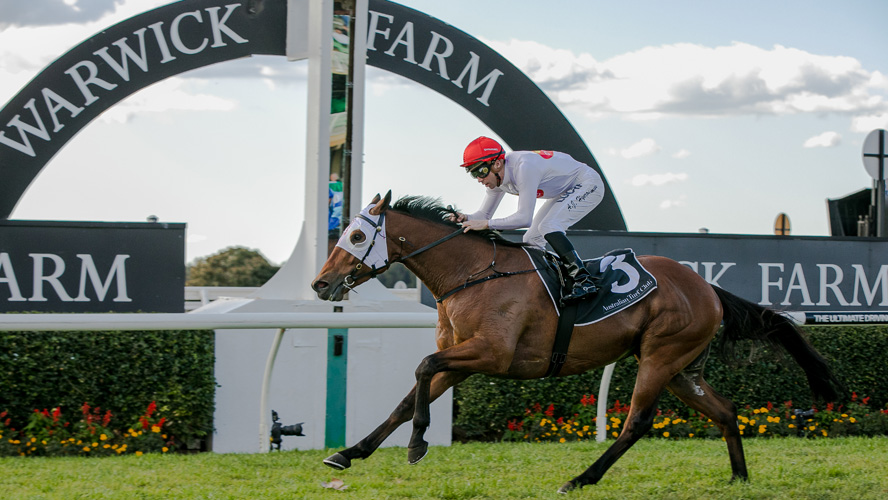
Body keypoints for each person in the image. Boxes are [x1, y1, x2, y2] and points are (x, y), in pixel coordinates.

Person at [450, 136, 605, 304]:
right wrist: (465, 218)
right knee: (531, 239)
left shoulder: (523, 168)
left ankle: (584, 281)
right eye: (473, 174)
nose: (479, 179)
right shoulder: (496, 178)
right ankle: (552, 283)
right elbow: (483, 215)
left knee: (549, 226)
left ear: (497, 163)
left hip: (587, 183)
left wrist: (487, 225)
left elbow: (524, 219)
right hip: (566, 189)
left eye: (480, 172)